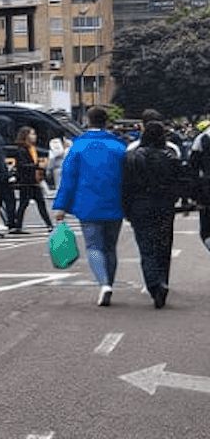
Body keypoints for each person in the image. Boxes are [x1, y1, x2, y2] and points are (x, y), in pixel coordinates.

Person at [52, 106, 128, 307]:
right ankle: (109, 281)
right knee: (110, 247)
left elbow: (68, 179)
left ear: (88, 120)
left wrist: (61, 206)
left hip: (87, 203)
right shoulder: (119, 147)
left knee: (94, 245)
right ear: (106, 122)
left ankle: (103, 284)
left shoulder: (77, 148)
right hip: (115, 202)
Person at [121, 119, 183, 310]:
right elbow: (179, 182)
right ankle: (163, 281)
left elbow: (126, 186)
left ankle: (154, 285)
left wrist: (126, 209)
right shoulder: (170, 157)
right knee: (164, 246)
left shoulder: (132, 157)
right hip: (164, 206)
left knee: (146, 248)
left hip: (140, 205)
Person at [13, 126, 53, 232]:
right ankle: (17, 226)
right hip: (26, 181)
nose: (34, 136)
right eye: (32, 134)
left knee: (39, 202)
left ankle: (49, 224)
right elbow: (22, 165)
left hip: (33, 180)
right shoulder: (21, 150)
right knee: (24, 203)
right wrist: (37, 165)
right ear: (25, 136)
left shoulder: (32, 148)